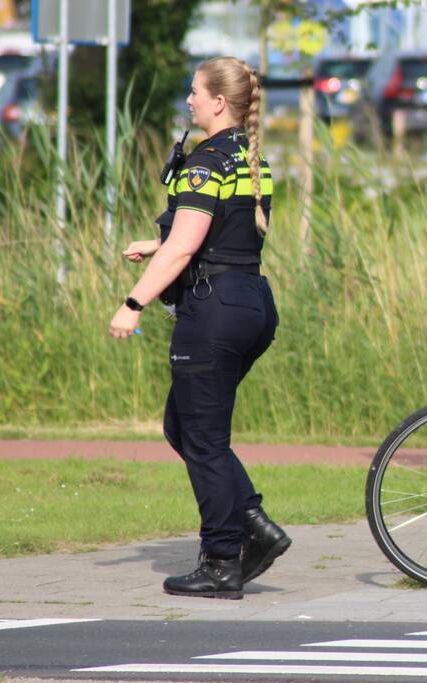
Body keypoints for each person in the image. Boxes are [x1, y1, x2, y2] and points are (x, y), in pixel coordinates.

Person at [109, 56, 291, 600]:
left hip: (212, 311)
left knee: (205, 439)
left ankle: (221, 561)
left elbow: (189, 244)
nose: (188, 101)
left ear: (217, 102)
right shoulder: (252, 158)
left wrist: (133, 302)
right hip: (251, 300)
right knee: (185, 428)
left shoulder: (204, 162)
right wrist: (158, 245)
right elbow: (225, 236)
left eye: (194, 93)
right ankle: (253, 525)